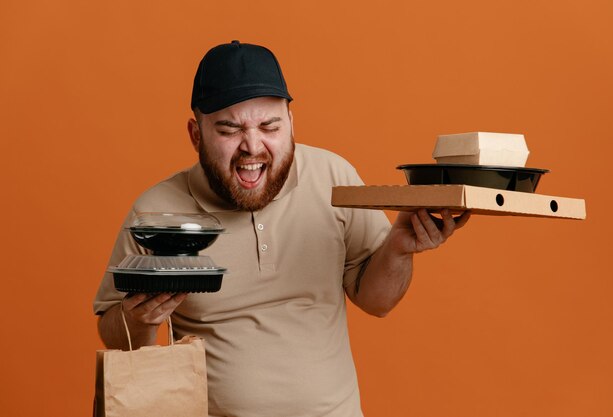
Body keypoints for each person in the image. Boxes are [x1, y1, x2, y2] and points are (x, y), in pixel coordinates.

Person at [94, 40, 470, 417]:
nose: (252, 146)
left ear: (291, 123)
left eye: (269, 126)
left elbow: (377, 301)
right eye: (229, 130)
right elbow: (114, 330)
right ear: (196, 134)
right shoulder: (156, 215)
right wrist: (138, 319)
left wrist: (398, 248)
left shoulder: (333, 178)